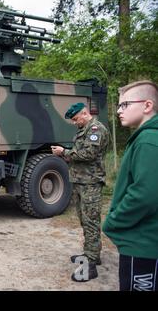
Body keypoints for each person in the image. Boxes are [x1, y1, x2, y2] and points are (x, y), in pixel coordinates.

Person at [103, 80, 158, 291]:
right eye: (118, 105)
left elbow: (145, 195)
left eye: (125, 105)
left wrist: (113, 222)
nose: (118, 110)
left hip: (142, 245)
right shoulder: (144, 138)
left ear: (147, 106)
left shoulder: (148, 141)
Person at [51, 102, 109, 282]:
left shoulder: (96, 130)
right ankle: (91, 253)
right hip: (80, 181)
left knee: (91, 222)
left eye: (76, 119)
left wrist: (63, 152)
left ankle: (90, 265)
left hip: (90, 183)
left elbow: (87, 155)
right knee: (85, 220)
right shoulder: (85, 128)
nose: (75, 122)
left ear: (85, 113)